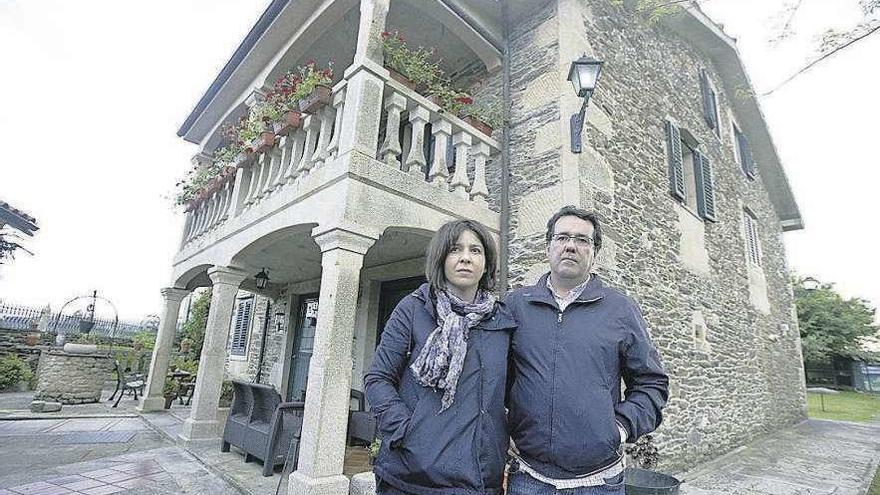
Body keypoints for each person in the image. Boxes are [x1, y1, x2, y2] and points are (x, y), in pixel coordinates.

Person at [505, 206, 669, 494]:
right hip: (527, 478)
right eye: (562, 237)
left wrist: (619, 428)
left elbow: (651, 383)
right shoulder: (516, 306)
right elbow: (495, 377)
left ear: (595, 253)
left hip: (597, 483)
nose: (571, 245)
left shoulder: (620, 310)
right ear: (548, 247)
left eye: (582, 240)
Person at [364, 219, 516, 495]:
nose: (465, 258)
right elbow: (378, 379)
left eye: (476, 251)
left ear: (487, 262)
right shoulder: (412, 310)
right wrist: (406, 431)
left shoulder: (501, 321)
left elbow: (510, 394)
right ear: (441, 258)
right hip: (410, 476)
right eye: (455, 250)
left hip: (479, 478)